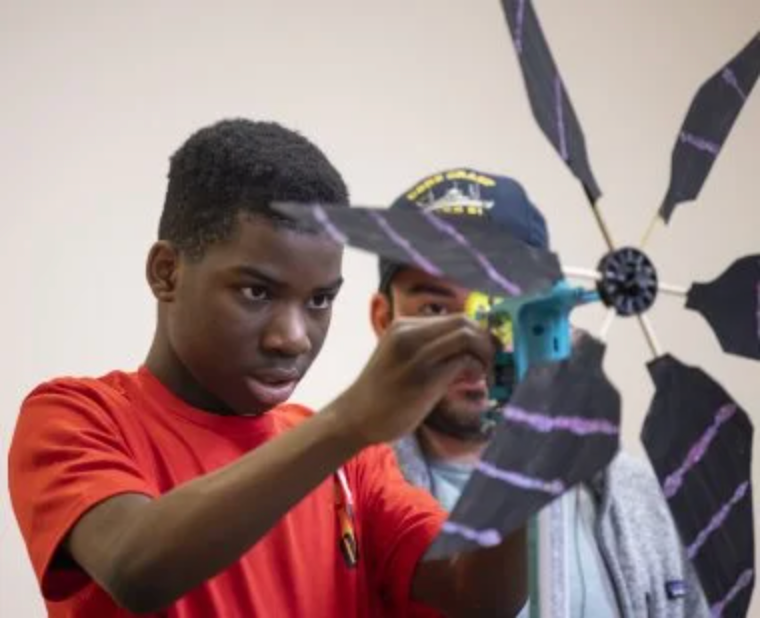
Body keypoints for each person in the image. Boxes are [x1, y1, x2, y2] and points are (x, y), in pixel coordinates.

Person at [8, 122, 527, 617]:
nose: (293, 337)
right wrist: (349, 423)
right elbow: (137, 569)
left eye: (320, 299)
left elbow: (479, 596)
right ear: (167, 272)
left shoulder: (353, 464)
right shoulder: (75, 417)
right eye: (256, 292)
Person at [370, 167, 710, 617]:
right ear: (384, 321)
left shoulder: (647, 500)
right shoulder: (350, 505)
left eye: (503, 301)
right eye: (435, 308)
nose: (475, 337)